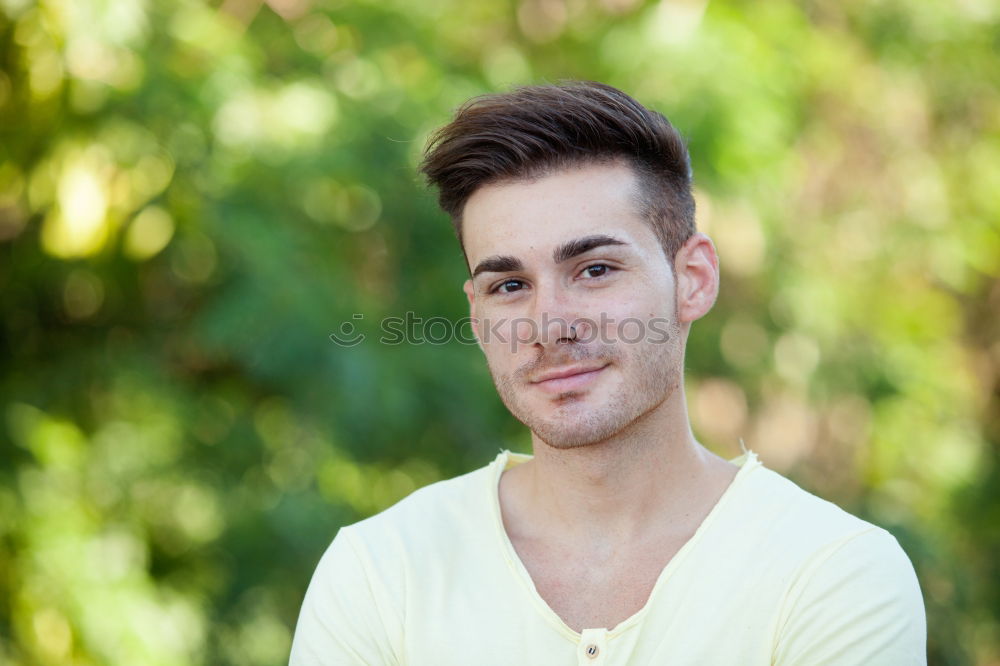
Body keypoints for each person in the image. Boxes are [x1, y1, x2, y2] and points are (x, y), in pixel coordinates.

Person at [289, 81, 926, 665]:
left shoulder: (830, 572)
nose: (549, 325)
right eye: (510, 284)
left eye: (595, 270)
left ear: (692, 279)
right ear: (479, 317)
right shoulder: (382, 572)